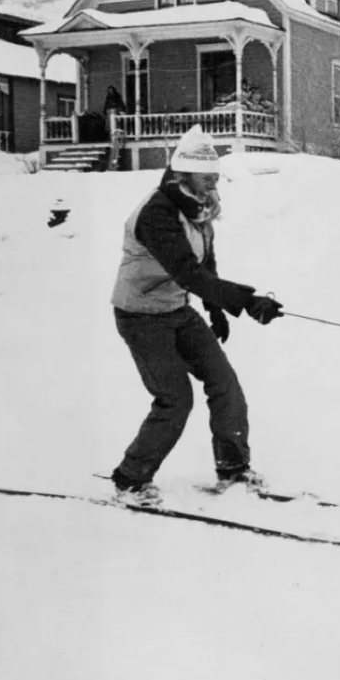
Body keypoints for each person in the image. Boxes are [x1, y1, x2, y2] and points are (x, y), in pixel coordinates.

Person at [108, 125, 283, 501]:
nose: (212, 185)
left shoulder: (198, 205)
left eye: (215, 178)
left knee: (225, 383)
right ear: (184, 174)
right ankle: (131, 478)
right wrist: (247, 301)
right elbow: (186, 270)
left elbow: (205, 260)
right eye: (207, 178)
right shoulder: (157, 212)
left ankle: (234, 469)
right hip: (140, 316)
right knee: (175, 399)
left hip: (177, 309)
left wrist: (216, 307)